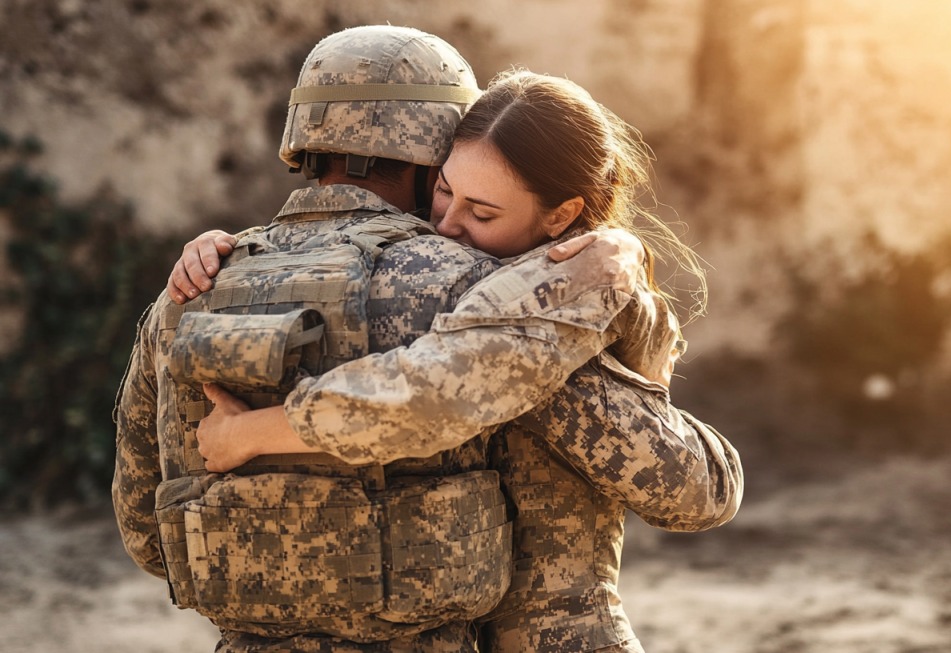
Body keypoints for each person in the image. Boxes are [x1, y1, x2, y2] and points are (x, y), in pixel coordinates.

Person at [139, 28, 741, 653]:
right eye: (449, 191)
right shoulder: (485, 293)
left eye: (482, 211)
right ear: (438, 147)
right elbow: (690, 489)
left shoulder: (195, 286)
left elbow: (147, 530)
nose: (450, 225)